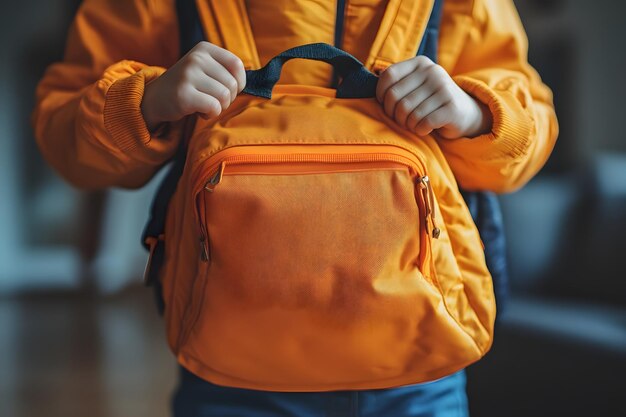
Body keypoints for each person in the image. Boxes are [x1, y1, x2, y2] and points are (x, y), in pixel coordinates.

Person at [32, 0, 558, 416]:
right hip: (244, 378)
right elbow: (65, 138)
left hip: (404, 378)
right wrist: (148, 101)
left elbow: (529, 132)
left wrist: (471, 113)